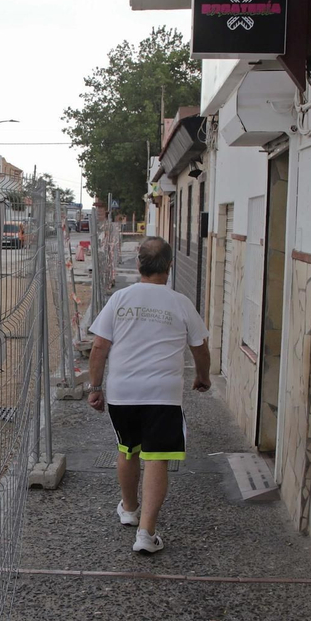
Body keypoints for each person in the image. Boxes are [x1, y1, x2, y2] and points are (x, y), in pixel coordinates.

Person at [86, 236, 210, 554]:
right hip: (163, 395)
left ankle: (129, 509)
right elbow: (200, 346)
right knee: (157, 458)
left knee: (128, 450)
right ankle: (146, 534)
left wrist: (95, 387)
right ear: (170, 266)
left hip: (122, 392)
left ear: (139, 264)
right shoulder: (181, 303)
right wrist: (203, 376)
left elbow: (99, 346)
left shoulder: (120, 299)